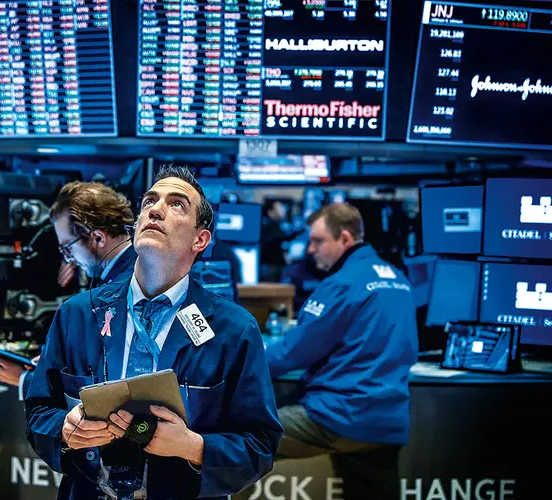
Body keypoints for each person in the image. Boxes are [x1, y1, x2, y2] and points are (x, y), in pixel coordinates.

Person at [26, 165, 282, 499]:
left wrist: (194, 446)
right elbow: (38, 412)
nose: (156, 209)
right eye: (149, 201)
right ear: (134, 228)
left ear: (200, 240)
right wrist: (64, 429)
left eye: (177, 204)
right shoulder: (77, 314)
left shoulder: (233, 330)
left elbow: (260, 446)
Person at [264, 203, 418, 500]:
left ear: (345, 239)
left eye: (319, 241)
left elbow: (291, 353)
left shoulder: (341, 284)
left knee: (242, 442)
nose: (311, 249)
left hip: (339, 415)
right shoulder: (400, 280)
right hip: (387, 423)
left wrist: (240, 362)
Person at [0, 182, 137, 397]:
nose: (69, 259)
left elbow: (108, 380)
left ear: (98, 237)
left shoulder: (121, 289)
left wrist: (26, 380)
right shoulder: (133, 269)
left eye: (68, 247)